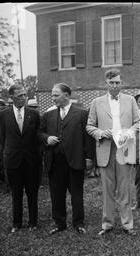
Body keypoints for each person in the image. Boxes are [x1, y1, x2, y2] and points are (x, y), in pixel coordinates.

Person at [86, 69, 139, 236]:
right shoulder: (96, 102)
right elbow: (89, 126)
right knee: (108, 189)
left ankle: (127, 225)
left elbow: (138, 123)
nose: (115, 85)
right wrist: (101, 133)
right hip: (106, 149)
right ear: (106, 84)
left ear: (121, 83)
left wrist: (128, 133)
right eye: (111, 83)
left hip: (124, 149)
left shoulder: (130, 100)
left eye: (117, 82)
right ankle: (107, 224)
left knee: (125, 189)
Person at [39, 83, 93, 234]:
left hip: (75, 160)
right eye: (52, 95)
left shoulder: (82, 114)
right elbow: (39, 133)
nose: (53, 98)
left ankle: (79, 223)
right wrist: (47, 138)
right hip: (55, 162)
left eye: (56, 95)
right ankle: (59, 223)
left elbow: (87, 138)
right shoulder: (48, 115)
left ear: (67, 95)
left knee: (76, 193)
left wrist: (89, 158)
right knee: (56, 194)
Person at [0, 84, 42, 233]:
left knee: (32, 193)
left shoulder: (34, 114)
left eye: (25, 95)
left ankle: (33, 222)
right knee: (16, 194)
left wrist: (38, 156)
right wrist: (7, 156)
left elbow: (38, 137)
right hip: (13, 161)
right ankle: (16, 223)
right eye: (20, 95)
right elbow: (1, 139)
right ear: (12, 98)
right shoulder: (3, 115)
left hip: (31, 161)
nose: (24, 98)